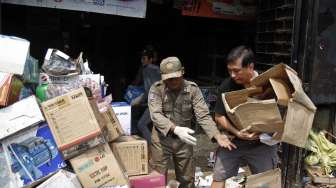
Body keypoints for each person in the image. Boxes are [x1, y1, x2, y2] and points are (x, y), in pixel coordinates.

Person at [148, 56, 236, 188]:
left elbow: (203, 116)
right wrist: (175, 129)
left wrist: (216, 135)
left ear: (182, 72)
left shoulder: (192, 89)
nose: (172, 81)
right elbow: (155, 115)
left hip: (184, 141)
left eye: (175, 76)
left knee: (187, 180)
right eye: (168, 78)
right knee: (157, 178)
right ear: (162, 77)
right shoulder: (157, 89)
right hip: (161, 140)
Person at [211, 46, 278, 188]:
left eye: (236, 70)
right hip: (233, 142)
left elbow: (281, 115)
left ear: (250, 67)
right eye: (229, 70)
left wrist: (263, 131)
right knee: (219, 176)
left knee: (267, 181)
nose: (233, 75)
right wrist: (237, 133)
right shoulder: (227, 85)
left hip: (262, 144)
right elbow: (218, 116)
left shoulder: (269, 84)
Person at [133, 45, 161, 144]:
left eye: (144, 58)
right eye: (141, 58)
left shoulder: (148, 69)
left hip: (156, 102)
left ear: (150, 59)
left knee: (141, 124)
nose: (142, 60)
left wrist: (139, 101)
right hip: (159, 100)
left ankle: (153, 146)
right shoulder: (156, 69)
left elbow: (150, 89)